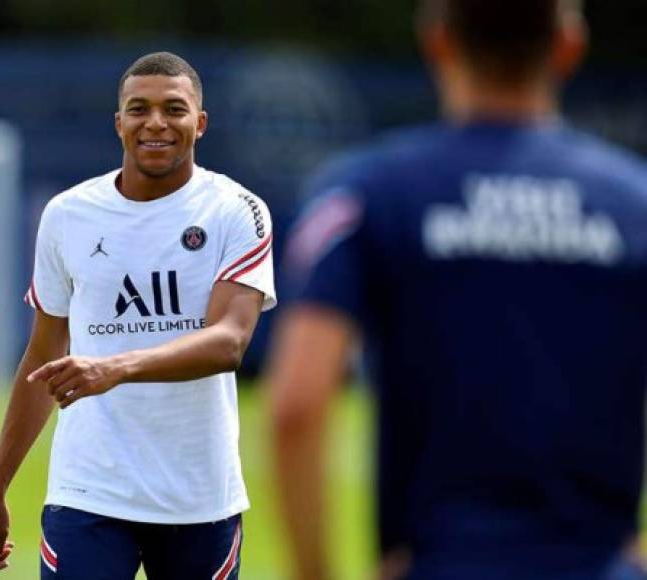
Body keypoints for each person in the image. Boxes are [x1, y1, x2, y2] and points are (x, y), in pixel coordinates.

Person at [265, 1, 647, 579]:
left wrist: (315, 572)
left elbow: (296, 404)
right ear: (569, 43)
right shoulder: (634, 202)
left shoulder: (368, 192)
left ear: (439, 40)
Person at [0, 51, 275, 579]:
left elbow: (229, 341)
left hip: (200, 496)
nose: (156, 123)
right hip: (89, 490)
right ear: (119, 123)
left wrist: (114, 367)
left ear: (199, 123)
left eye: (174, 109)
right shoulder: (68, 215)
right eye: (139, 109)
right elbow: (43, 355)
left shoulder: (236, 210)